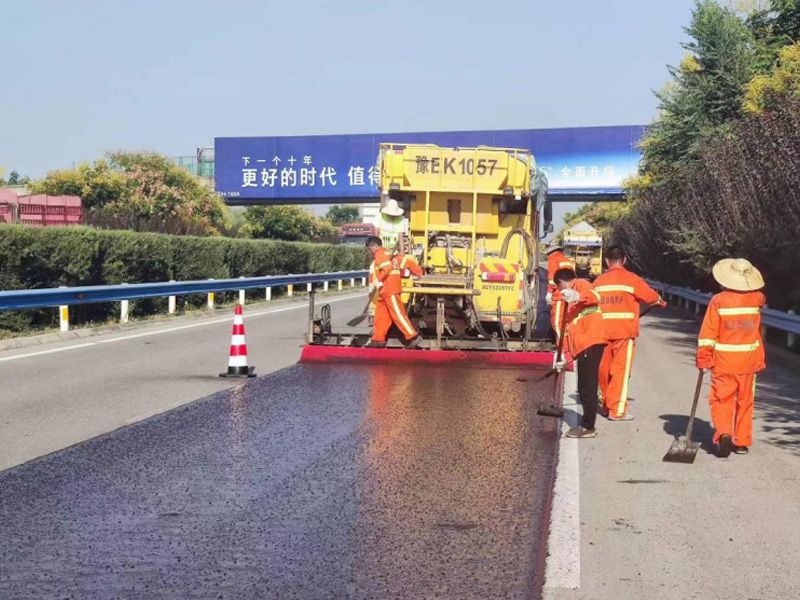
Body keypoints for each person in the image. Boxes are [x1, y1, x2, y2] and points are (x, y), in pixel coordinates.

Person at [696, 258, 766, 458]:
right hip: (749, 360)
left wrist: (703, 359)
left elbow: (708, 334)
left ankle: (724, 434)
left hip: (724, 361)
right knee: (745, 401)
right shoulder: (757, 298)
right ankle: (741, 442)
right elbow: (761, 299)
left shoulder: (718, 301)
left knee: (721, 399)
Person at [594, 246, 667, 421]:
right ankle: (617, 411)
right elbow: (652, 297)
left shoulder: (598, 281)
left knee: (603, 370)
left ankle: (606, 405)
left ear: (606, 261)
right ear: (624, 260)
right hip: (624, 333)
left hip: (601, 332)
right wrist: (660, 302)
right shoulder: (632, 279)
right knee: (620, 371)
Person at [554, 268, 607, 438]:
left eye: (559, 287)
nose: (561, 292)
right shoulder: (571, 302)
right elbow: (571, 332)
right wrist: (565, 357)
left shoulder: (580, 284)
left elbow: (595, 296)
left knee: (587, 386)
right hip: (585, 345)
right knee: (583, 386)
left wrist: (577, 296)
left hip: (591, 341)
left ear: (562, 283)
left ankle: (588, 427)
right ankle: (587, 424)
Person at [364, 236, 421, 349]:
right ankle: (378, 339)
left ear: (374, 246)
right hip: (383, 291)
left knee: (398, 314)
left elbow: (388, 268)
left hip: (390, 290)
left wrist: (379, 280)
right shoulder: (389, 254)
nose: (370, 251)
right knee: (381, 316)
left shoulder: (380, 255)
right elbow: (406, 261)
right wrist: (418, 272)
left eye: (370, 248)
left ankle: (413, 336)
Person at [546, 241, 576, 344]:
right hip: (569, 295)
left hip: (559, 296)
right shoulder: (566, 260)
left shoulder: (553, 259)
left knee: (557, 323)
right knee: (566, 323)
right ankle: (567, 346)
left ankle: (562, 348)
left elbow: (552, 279)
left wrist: (550, 292)